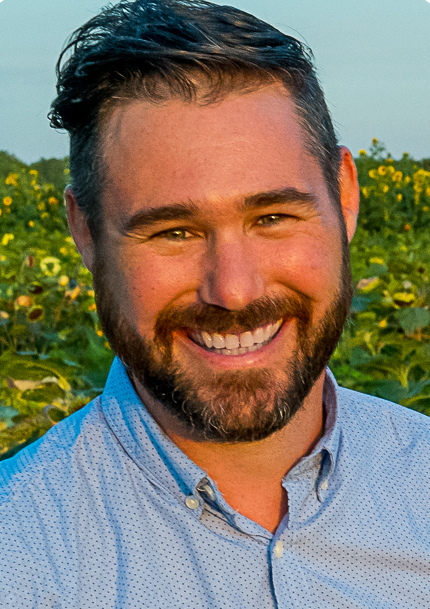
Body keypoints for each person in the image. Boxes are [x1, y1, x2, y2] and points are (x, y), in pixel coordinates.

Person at [1, 0, 430, 606]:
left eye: (274, 217)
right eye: (173, 231)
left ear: (346, 198)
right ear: (86, 233)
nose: (234, 290)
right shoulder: (19, 553)